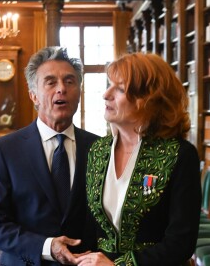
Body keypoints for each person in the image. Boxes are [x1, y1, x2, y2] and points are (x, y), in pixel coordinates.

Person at [75, 52, 202, 266]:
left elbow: (181, 242)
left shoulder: (180, 154)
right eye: (109, 85)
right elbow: (90, 227)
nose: (106, 94)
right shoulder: (97, 150)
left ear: (149, 99)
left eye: (120, 88)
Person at [0, 46, 99, 266]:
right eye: (51, 82)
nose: (61, 89)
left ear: (79, 92)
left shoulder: (99, 147)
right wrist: (47, 246)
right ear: (33, 95)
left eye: (70, 81)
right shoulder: (4, 150)